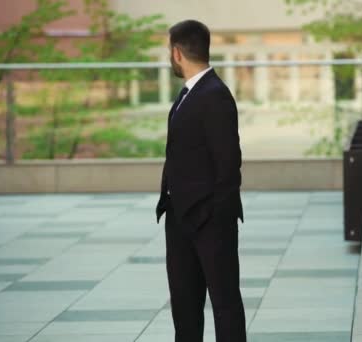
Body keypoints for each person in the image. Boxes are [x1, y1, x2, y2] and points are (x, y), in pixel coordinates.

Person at [155, 19, 246, 342]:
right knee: (184, 305)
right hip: (181, 218)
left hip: (209, 221)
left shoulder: (215, 95)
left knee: (224, 303)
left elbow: (229, 164)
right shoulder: (188, 94)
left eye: (169, 50)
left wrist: (216, 218)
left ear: (177, 53)